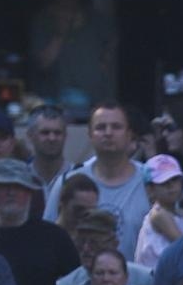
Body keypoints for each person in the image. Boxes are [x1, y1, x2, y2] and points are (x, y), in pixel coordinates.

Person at [43, 103, 150, 257]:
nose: (108, 133)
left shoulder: (150, 180)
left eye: (116, 127)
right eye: (101, 127)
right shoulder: (68, 181)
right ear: (90, 135)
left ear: (129, 135)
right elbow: (49, 238)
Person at [24, 104, 73, 202]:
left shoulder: (77, 176)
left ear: (65, 136)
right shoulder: (22, 178)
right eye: (45, 132)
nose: (52, 138)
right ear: (30, 136)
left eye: (57, 133)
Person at [53, 172, 100, 241]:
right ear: (63, 203)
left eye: (91, 212)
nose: (85, 216)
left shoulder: (94, 245)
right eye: (79, 210)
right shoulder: (47, 240)